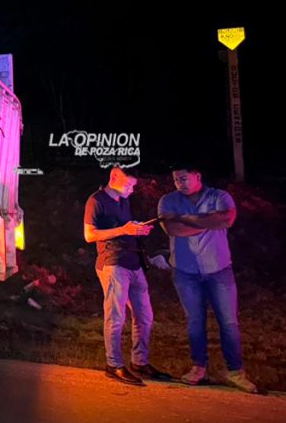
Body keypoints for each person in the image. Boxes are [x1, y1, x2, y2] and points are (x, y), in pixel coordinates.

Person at [158, 166, 258, 393]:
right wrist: (207, 221)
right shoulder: (168, 200)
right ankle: (198, 367)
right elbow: (171, 228)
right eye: (175, 179)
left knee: (229, 322)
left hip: (219, 269)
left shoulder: (219, 196)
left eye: (183, 178)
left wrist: (187, 220)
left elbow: (226, 219)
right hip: (185, 271)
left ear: (197, 176)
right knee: (195, 321)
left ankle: (235, 371)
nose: (179, 183)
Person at [84, 166, 172, 385]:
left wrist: (138, 229)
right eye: (128, 184)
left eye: (133, 185)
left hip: (135, 263)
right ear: (114, 176)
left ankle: (139, 363)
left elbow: (125, 228)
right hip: (113, 264)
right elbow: (89, 235)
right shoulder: (96, 201)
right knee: (116, 317)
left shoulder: (123, 201)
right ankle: (113, 365)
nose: (132, 189)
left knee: (145, 316)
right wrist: (124, 230)